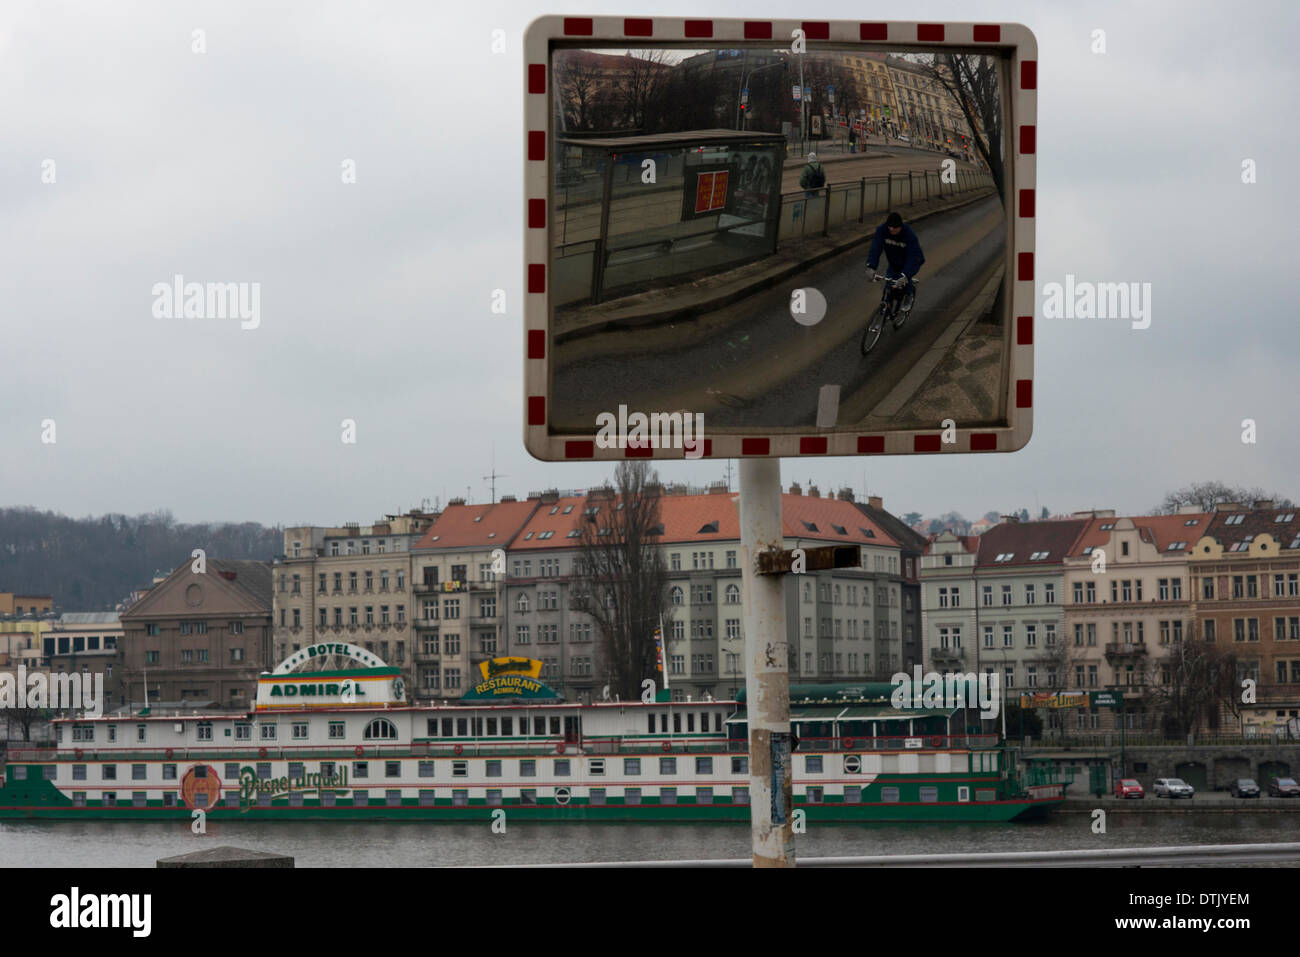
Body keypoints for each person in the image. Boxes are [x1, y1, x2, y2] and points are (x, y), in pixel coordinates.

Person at [865, 211, 925, 312]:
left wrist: (905, 276)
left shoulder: (909, 236)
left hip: (911, 262)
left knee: (905, 281)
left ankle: (909, 296)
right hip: (894, 262)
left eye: (894, 228)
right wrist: (871, 266)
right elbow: (875, 248)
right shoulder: (882, 230)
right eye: (889, 227)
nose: (891, 229)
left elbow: (913, 257)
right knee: (888, 286)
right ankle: (885, 310)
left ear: (900, 227)